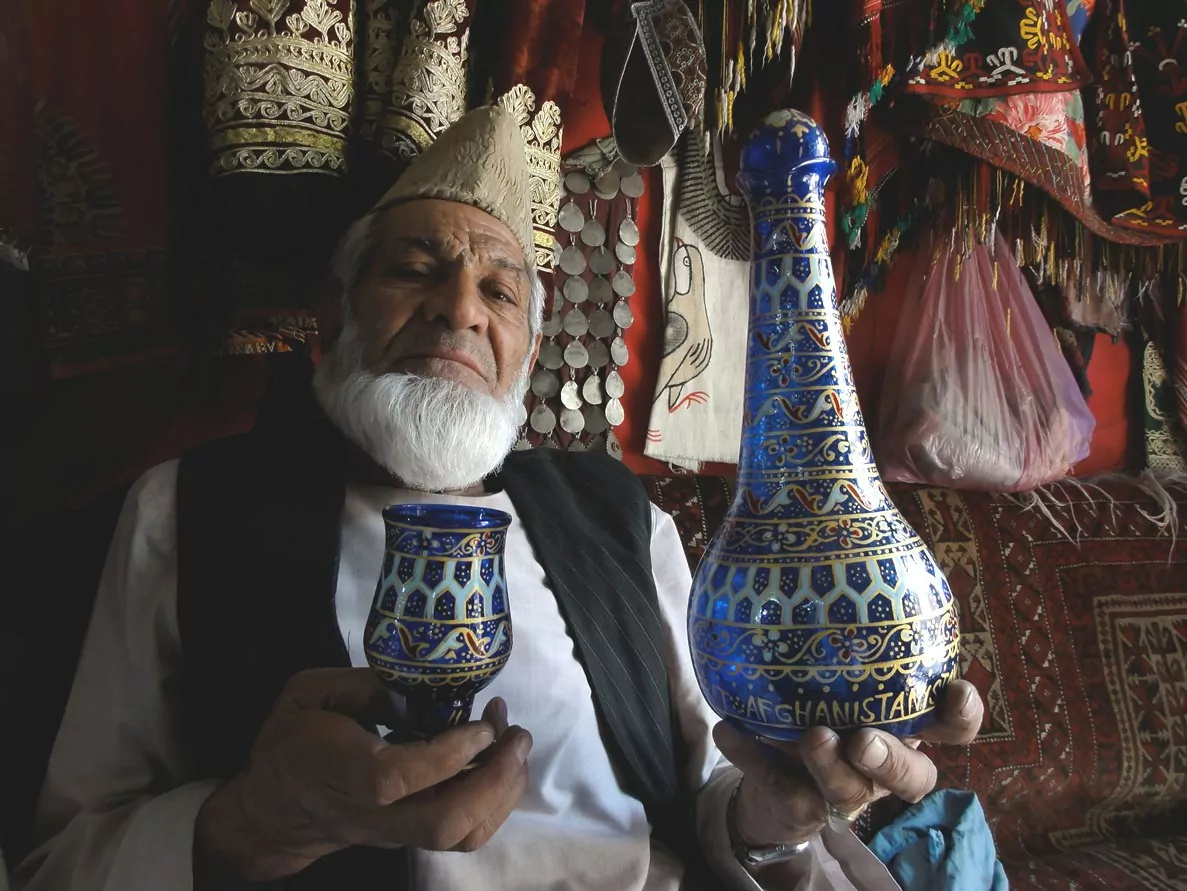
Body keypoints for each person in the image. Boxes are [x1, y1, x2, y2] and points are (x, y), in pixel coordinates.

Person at [13, 106, 982, 891]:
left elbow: (718, 792)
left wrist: (774, 817)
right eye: (414, 270)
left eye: (500, 290)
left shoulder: (618, 519)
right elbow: (61, 859)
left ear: (525, 348)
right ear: (330, 317)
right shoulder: (186, 510)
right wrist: (259, 825)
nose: (460, 308)